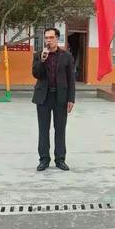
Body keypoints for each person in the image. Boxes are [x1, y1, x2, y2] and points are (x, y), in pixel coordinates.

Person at [32, 27, 75, 171]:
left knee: (60, 129)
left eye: (51, 37)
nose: (48, 40)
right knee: (43, 129)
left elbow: (71, 79)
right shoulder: (39, 55)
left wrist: (71, 99)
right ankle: (44, 159)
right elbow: (36, 74)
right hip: (43, 97)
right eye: (46, 38)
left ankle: (60, 159)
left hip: (60, 97)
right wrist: (42, 61)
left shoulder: (66, 56)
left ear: (57, 39)